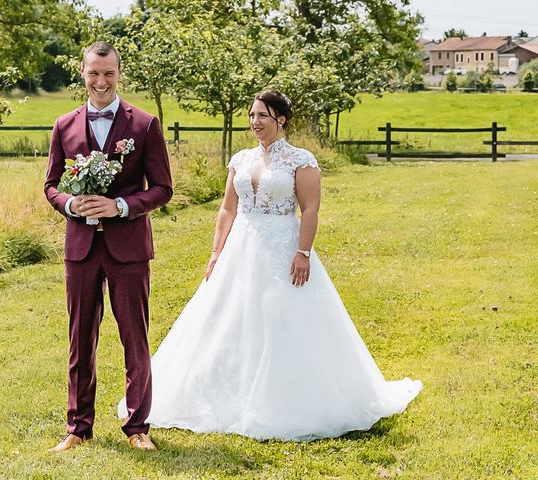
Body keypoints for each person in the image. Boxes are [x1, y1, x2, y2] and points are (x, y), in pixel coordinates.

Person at [119, 90, 422, 441]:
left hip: (283, 246)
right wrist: (216, 252)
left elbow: (309, 210)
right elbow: (227, 209)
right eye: (251, 115)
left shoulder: (301, 160)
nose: (255, 122)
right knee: (228, 315)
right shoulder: (241, 160)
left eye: (262, 115)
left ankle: (290, 396)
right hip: (240, 249)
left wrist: (303, 252)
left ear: (281, 119)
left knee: (281, 315)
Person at [45, 41, 172, 452]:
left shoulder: (145, 124)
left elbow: (163, 189)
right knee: (80, 338)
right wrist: (69, 203)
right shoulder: (63, 125)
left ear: (120, 74)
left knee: (134, 337)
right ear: (82, 73)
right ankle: (78, 429)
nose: (101, 81)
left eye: (109, 74)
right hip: (80, 248)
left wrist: (121, 206)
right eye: (94, 73)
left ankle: (138, 427)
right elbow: (50, 185)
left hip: (129, 248)